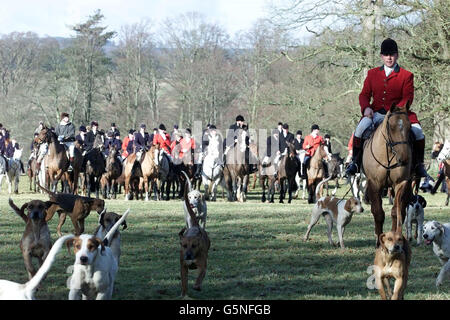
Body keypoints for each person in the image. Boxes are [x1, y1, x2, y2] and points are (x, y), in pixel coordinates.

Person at [345, 38, 429, 178]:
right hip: (376, 113)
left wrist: (397, 111)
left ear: (397, 55)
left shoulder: (406, 75)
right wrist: (366, 108)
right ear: (381, 56)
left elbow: (408, 97)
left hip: (399, 115)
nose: (389, 57)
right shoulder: (372, 74)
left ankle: (418, 165)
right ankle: (355, 162)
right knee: (359, 130)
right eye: (386, 54)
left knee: (418, 132)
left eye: (392, 54)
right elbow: (364, 94)